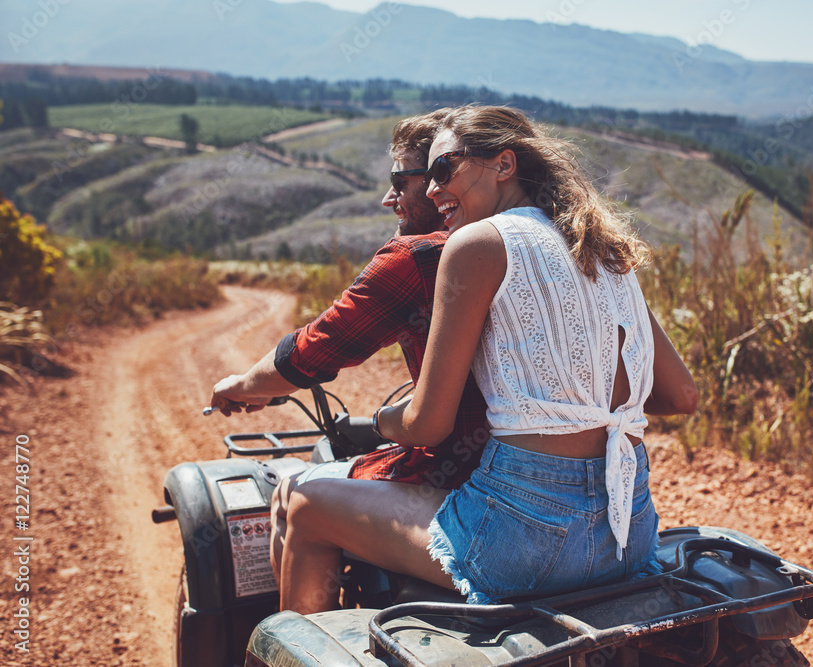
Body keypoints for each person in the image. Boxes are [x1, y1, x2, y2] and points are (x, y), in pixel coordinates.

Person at [242, 105, 698, 614]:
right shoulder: (604, 249)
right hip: (626, 538)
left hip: (525, 545)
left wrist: (381, 420)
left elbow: (428, 424)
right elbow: (681, 395)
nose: (433, 190)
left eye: (443, 169)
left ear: (504, 164)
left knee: (304, 504)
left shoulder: (476, 244)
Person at [210, 109, 489, 583]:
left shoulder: (418, 258)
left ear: (447, 178)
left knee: (292, 495)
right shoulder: (547, 243)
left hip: (457, 479)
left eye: (401, 182)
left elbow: (313, 350)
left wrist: (244, 385)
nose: (389, 198)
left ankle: (288, 647)